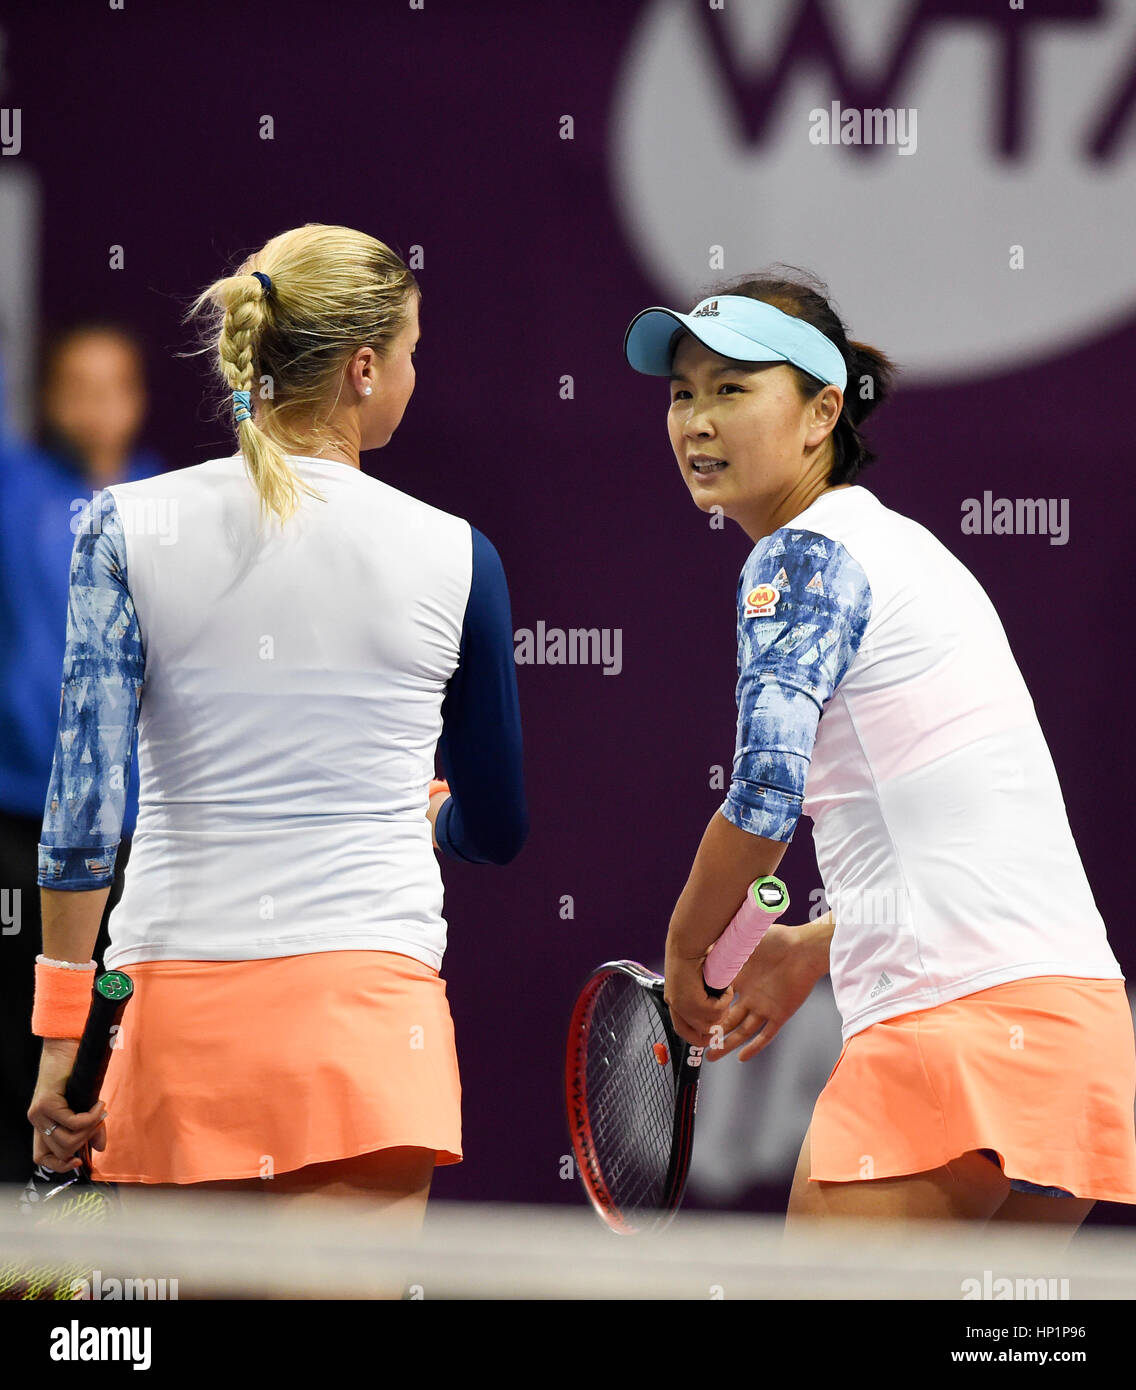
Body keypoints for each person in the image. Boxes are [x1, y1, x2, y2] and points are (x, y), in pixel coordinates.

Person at [26, 224, 527, 1253]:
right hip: (364, 1034)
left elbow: (85, 812)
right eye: (411, 352)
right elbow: (501, 826)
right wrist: (440, 816)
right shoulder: (458, 556)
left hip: (168, 1027)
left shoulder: (121, 527)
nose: (412, 375)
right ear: (361, 367)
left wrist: (59, 1034)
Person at [624, 269, 1136, 1232]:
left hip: (951, 1029)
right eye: (682, 392)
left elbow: (765, 799)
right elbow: (965, 822)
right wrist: (820, 944)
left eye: (733, 389)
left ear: (822, 412)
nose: (696, 419)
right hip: (1072, 1028)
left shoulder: (801, 558)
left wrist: (690, 947)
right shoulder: (908, 550)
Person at [0, 325, 159, 1185]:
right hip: (14, 826)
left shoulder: (168, 509)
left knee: (106, 1067)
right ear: (46, 397)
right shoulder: (11, 489)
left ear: (137, 400)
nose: (95, 404)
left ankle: (91, 1268)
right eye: (75, 385)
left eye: (114, 385)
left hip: (130, 847)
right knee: (16, 1058)